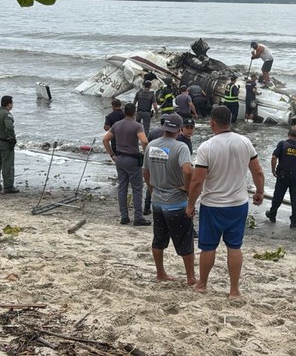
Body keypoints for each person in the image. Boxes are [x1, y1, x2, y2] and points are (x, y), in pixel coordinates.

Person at [186, 106, 265, 298]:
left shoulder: (207, 147)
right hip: (238, 204)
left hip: (212, 204)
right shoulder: (245, 142)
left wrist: (190, 205)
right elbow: (258, 171)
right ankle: (234, 290)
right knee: (234, 247)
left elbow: (197, 181)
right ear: (230, 121)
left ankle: (203, 284)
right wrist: (259, 192)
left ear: (212, 123)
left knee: (208, 246)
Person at [142, 113, 196, 285]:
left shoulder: (151, 145)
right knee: (184, 241)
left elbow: (145, 171)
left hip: (157, 200)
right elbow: (187, 170)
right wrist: (187, 188)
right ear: (179, 129)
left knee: (158, 239)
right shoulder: (181, 147)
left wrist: (152, 189)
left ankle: (160, 273)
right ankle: (190, 278)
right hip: (176, 202)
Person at [103, 102, 150, 226]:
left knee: (122, 187)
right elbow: (144, 140)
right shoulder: (137, 126)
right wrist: (145, 154)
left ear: (124, 112)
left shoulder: (117, 125)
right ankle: (138, 217)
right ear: (134, 113)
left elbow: (105, 139)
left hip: (119, 158)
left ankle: (124, 216)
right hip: (133, 159)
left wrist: (112, 154)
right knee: (137, 189)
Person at [265, 126, 296, 229]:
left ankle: (272, 214)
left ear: (288, 134)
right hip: (295, 177)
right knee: (295, 199)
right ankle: (294, 221)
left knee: (278, 196)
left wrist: (273, 170)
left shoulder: (282, 144)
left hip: (282, 176)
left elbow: (273, 157)